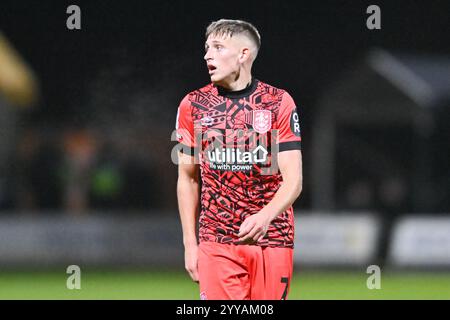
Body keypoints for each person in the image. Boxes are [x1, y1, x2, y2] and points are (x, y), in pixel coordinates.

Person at [175, 19, 303, 300]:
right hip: (216, 239)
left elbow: (293, 181)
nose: (207, 55)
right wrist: (189, 243)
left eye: (218, 47)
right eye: (206, 48)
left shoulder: (278, 102)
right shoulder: (193, 105)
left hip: (272, 238)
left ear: (244, 54)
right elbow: (187, 178)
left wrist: (265, 216)